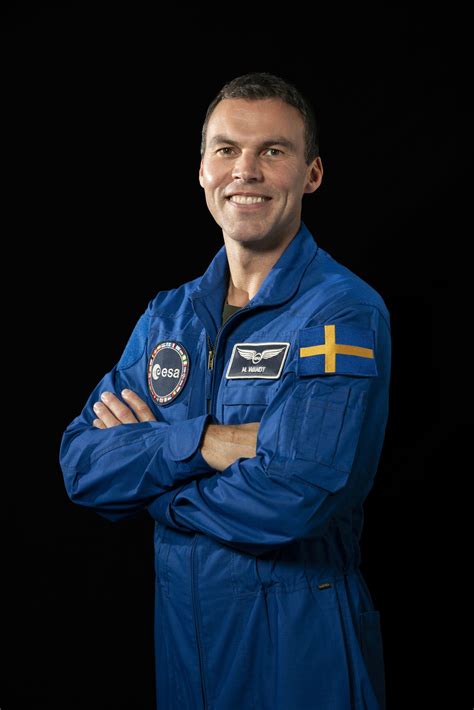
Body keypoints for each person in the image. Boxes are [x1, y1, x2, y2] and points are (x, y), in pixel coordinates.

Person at [59, 72, 391, 709]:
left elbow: (297, 495)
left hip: (300, 643)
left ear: (312, 174)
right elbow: (82, 465)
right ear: (203, 171)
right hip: (185, 645)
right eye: (227, 150)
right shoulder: (169, 317)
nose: (246, 170)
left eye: (273, 150)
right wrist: (206, 442)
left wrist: (157, 489)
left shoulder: (341, 313)